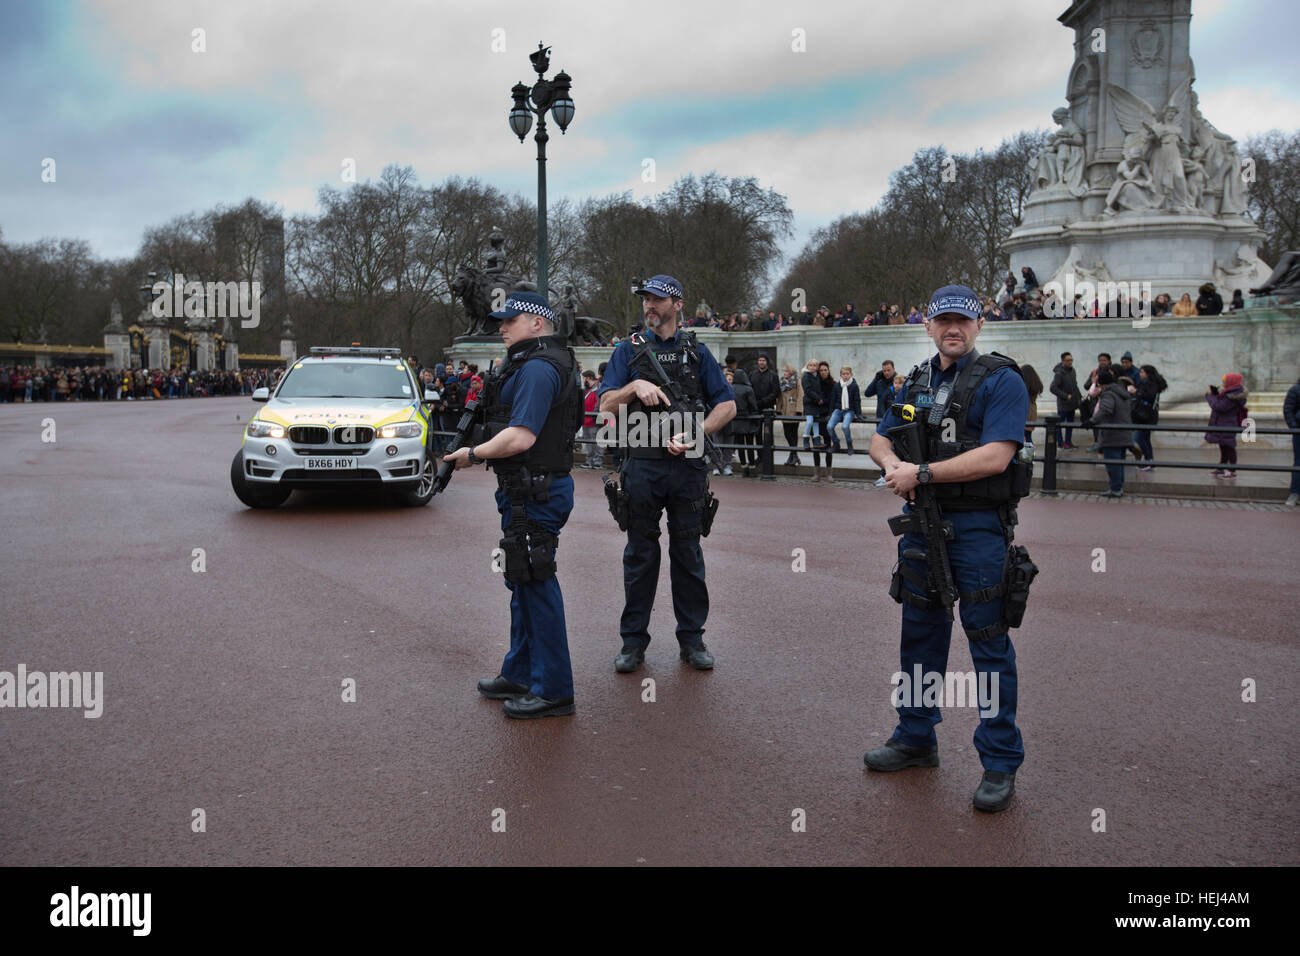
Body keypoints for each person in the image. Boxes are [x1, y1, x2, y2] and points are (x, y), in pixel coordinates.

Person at [865, 283, 1032, 813]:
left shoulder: (1002, 380)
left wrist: (923, 472)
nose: (952, 329)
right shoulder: (913, 380)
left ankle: (1000, 762)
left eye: (962, 321)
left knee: (988, 644)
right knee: (919, 637)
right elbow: (879, 437)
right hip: (921, 526)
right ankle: (916, 738)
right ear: (929, 326)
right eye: (943, 321)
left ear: (979, 325)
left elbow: (998, 456)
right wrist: (893, 466)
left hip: (979, 529)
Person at [442, 291, 583, 719]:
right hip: (527, 488)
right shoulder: (537, 363)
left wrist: (473, 454)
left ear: (538, 323)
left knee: (535, 583)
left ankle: (555, 690)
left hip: (537, 488)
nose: (501, 327)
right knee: (522, 581)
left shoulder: (539, 368)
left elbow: (521, 436)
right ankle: (521, 672)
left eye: (510, 320)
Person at [597, 274, 736, 673]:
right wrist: (634, 386)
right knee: (640, 555)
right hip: (641, 464)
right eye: (645, 300)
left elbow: (727, 406)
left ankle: (692, 640)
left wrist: (696, 431)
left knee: (688, 553)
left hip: (687, 467)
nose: (649, 306)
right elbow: (606, 403)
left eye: (657, 299)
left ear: (677, 304)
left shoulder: (697, 351)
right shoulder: (628, 351)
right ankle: (633, 643)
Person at [1088, 368, 1133, 497]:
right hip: (1123, 431)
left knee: (1112, 463)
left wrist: (1092, 421)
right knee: (1119, 462)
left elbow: (1105, 409)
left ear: (1102, 384)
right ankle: (1118, 487)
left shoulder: (1108, 394)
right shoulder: (1121, 392)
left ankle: (1115, 489)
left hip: (1112, 433)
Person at [1205, 373, 1249, 478]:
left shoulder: (1233, 395)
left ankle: (1232, 469)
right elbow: (1221, 402)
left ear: (1231, 382)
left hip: (1228, 423)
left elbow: (1219, 406)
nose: (1223, 382)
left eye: (1225, 380)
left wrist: (1209, 396)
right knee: (1223, 445)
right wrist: (1216, 394)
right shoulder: (1230, 392)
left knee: (1229, 446)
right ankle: (1221, 467)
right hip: (1223, 422)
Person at [865, 360, 897, 487]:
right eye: (884, 370)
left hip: (894, 419)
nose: (886, 373)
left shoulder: (898, 382)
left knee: (894, 448)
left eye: (888, 370)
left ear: (893, 369)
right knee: (882, 449)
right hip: (881, 419)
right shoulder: (879, 382)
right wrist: (875, 379)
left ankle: (891, 474)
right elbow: (867, 393)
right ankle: (884, 475)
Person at [1131, 365, 1168, 470]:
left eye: (1142, 372)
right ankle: (1149, 460)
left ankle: (1148, 460)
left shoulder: (1151, 383)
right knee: (1145, 438)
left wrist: (1136, 392)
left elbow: (1149, 396)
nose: (1140, 374)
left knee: (1138, 437)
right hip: (1147, 415)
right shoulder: (1149, 383)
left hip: (1146, 415)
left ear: (1148, 373)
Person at [725, 369, 758, 475]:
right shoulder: (748, 389)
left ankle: (743, 466)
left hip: (736, 418)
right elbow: (753, 405)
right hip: (747, 418)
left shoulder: (732, 388)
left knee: (740, 445)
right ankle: (752, 467)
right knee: (749, 444)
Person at [801, 359, 828, 480]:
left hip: (816, 403)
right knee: (810, 421)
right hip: (810, 403)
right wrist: (818, 398)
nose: (812, 367)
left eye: (814, 365)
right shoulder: (806, 376)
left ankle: (817, 440)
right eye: (810, 365)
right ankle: (805, 438)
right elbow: (808, 390)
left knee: (816, 423)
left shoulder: (816, 376)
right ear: (807, 366)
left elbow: (819, 389)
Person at [827, 365, 861, 458]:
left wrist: (859, 413)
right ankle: (836, 443)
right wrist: (830, 412)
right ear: (840, 375)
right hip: (838, 409)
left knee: (845, 426)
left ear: (851, 374)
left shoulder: (854, 385)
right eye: (843, 374)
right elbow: (833, 399)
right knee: (829, 426)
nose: (845, 376)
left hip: (849, 410)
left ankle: (849, 444)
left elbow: (857, 400)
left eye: (847, 374)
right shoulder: (837, 385)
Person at [1049, 352, 1080, 448]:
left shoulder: (1072, 371)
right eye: (1067, 360)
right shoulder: (1059, 373)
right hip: (1063, 404)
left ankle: (1068, 441)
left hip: (1072, 403)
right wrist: (1065, 396)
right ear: (1062, 361)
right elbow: (1053, 388)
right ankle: (1061, 442)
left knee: (1070, 424)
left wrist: (1079, 397)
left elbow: (1075, 385)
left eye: (1071, 360)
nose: (1070, 362)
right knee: (1059, 424)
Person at [779, 363, 802, 467]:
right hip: (785, 410)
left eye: (786, 371)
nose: (785, 373)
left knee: (793, 433)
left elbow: (801, 395)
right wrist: (778, 408)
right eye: (784, 371)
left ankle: (793, 455)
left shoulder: (797, 381)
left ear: (791, 372)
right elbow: (779, 396)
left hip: (793, 410)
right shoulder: (782, 382)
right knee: (787, 433)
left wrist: (799, 409)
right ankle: (794, 455)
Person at [1284, 375, 1300, 507]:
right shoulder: (1295, 389)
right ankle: (1295, 493)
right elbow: (1288, 409)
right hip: (1299, 431)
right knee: (1299, 462)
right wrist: (1294, 427)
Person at [1020, 364, 1043, 446]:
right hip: (1032, 412)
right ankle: (1030, 456)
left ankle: (1028, 457)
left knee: (1025, 438)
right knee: (1028, 436)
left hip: (1024, 412)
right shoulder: (1035, 384)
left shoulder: (1022, 385)